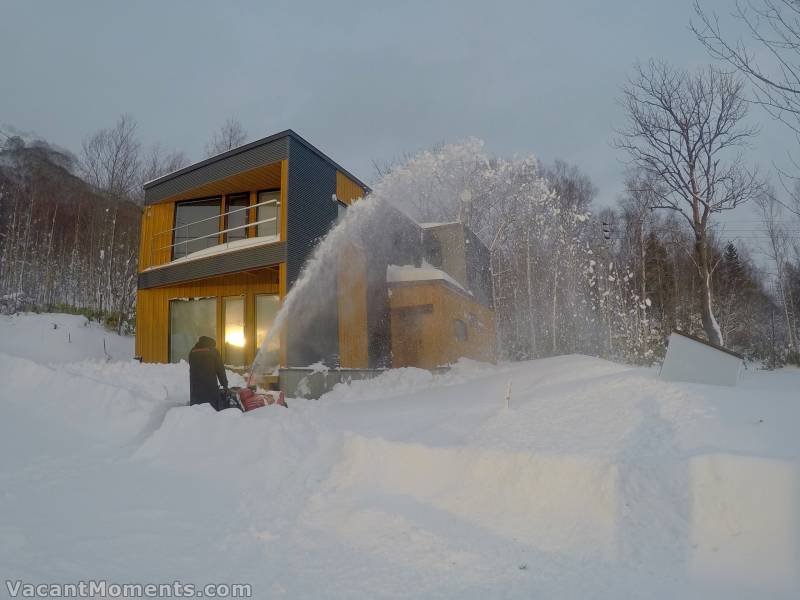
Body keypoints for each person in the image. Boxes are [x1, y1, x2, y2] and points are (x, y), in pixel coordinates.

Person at [188, 336, 228, 409]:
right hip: (210, 393)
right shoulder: (213, 351)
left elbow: (191, 367)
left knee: (196, 415)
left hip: (195, 394)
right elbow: (220, 371)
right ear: (212, 344)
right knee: (210, 415)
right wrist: (225, 386)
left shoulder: (192, 351)